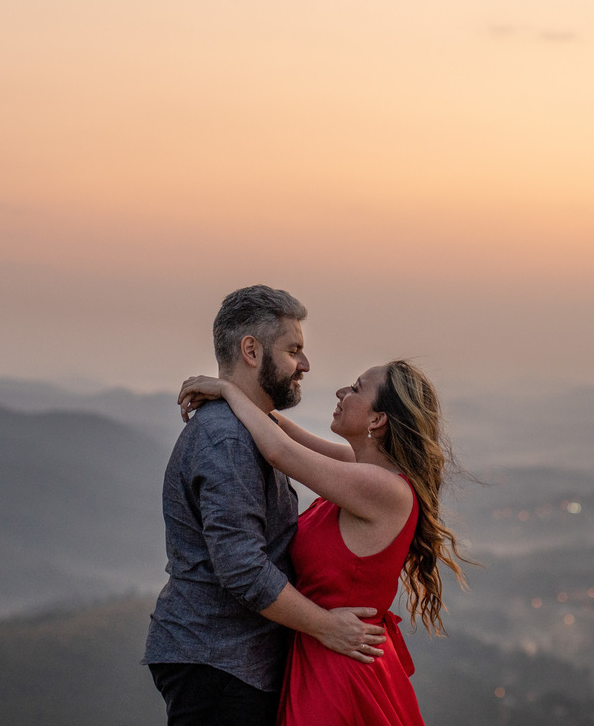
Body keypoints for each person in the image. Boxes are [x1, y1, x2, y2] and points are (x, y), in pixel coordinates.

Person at [178, 358, 472, 726]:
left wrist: (227, 389)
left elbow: (280, 452)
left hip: (339, 668)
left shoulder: (383, 489)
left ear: (377, 420)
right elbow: (282, 432)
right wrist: (237, 394)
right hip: (326, 648)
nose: (341, 392)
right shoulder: (363, 469)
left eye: (356, 389)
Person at [143, 285, 387, 726]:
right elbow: (243, 568)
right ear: (251, 351)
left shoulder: (249, 431)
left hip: (232, 660)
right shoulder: (228, 440)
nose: (305, 364)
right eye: (293, 350)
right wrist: (327, 626)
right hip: (220, 662)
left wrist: (231, 392)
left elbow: (307, 454)